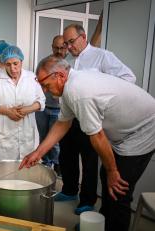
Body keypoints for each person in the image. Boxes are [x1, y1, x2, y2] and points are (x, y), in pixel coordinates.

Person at [20, 55, 155, 231]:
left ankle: (114, 226)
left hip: (142, 132)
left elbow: (97, 136)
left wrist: (113, 170)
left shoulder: (78, 92)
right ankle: (102, 224)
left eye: (46, 85)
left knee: (118, 189)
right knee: (107, 178)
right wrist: (38, 153)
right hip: (125, 133)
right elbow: (63, 123)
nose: (45, 90)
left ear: (60, 75)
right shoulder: (69, 86)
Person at [52, 23, 137, 215]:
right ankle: (69, 190)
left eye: (71, 42)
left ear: (83, 37)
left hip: (91, 119)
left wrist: (102, 94)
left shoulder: (102, 56)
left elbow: (129, 78)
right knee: (67, 156)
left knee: (89, 161)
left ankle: (87, 201)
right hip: (71, 117)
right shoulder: (70, 62)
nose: (69, 47)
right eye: (66, 43)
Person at [0, 45, 46, 162]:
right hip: (3, 135)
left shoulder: (31, 77)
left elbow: (41, 101)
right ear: (3, 64)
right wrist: (8, 112)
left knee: (27, 171)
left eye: (15, 63)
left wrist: (28, 109)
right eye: (8, 64)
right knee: (3, 174)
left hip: (27, 134)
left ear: (21, 62)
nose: (12, 68)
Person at [35, 35, 67, 176]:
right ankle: (46, 164)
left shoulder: (68, 64)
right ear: (52, 47)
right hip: (43, 108)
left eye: (62, 47)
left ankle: (58, 165)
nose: (59, 50)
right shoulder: (44, 63)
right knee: (43, 138)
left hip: (60, 110)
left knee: (55, 141)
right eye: (56, 47)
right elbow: (38, 83)